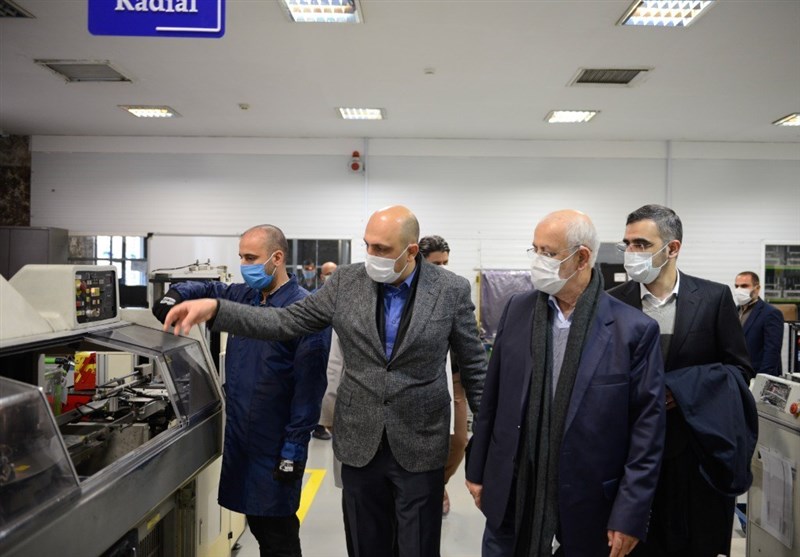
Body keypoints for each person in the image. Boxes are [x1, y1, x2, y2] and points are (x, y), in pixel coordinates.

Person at [163, 205, 487, 557]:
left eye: (382, 249)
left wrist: (484, 451)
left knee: (418, 546)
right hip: (360, 442)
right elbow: (285, 321)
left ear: (410, 251)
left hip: (419, 441)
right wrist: (217, 310)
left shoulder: (450, 290)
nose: (371, 255)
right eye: (367, 245)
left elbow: (475, 370)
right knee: (365, 545)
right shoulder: (347, 282)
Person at [465, 209, 665, 557]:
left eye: (548, 252)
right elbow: (492, 397)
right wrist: (477, 468)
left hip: (589, 506)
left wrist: (630, 514)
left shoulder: (633, 330)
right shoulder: (518, 310)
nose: (537, 260)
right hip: (512, 494)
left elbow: (646, 433)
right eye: (535, 250)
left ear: (582, 258)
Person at [151, 224, 329, 557]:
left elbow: (309, 390)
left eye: (251, 258)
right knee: (258, 524)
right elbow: (208, 287)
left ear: (277, 258)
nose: (244, 265)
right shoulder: (244, 297)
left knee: (278, 533)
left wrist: (293, 450)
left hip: (275, 441)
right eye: (241, 257)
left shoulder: (303, 311)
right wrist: (175, 296)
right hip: (241, 436)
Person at [609, 204, 757, 557]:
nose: (631, 253)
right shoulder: (612, 303)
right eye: (627, 244)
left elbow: (739, 369)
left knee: (693, 543)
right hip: (629, 453)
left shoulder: (713, 298)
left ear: (672, 248)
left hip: (694, 451)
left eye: (642, 244)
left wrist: (683, 389)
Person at [418, 235, 465, 516]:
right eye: (437, 264)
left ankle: (440, 482)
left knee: (458, 441)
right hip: (424, 376)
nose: (443, 268)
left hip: (455, 376)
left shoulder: (455, 289)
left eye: (446, 262)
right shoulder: (411, 295)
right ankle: (427, 488)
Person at [734, 271, 784, 376]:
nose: (739, 290)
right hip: (738, 373)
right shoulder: (735, 311)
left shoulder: (771, 313)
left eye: (744, 286)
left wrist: (762, 379)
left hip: (757, 375)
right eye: (736, 286)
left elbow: (772, 351)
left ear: (757, 288)